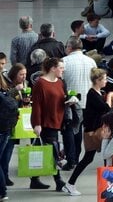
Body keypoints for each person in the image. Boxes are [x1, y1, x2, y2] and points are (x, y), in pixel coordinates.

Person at [65, 67, 112, 195]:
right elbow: (105, 108)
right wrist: (110, 97)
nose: (106, 81)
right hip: (93, 131)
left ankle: (71, 183)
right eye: (104, 79)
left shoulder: (96, 93)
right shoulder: (93, 94)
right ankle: (70, 183)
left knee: (94, 158)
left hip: (95, 130)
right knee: (91, 158)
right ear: (97, 80)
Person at [30, 56, 72, 191]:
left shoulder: (59, 82)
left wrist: (70, 100)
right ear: (53, 69)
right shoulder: (40, 84)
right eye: (60, 68)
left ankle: (35, 179)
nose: (62, 70)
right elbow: (36, 105)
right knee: (53, 150)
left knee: (45, 150)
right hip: (46, 122)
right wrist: (37, 123)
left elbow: (62, 98)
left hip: (57, 120)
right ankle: (58, 180)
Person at [61, 35, 95, 168]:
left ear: (69, 47)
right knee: (80, 130)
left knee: (70, 130)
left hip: (72, 102)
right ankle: (78, 156)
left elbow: (60, 81)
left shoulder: (64, 61)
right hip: (88, 101)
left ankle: (72, 159)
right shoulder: (91, 61)